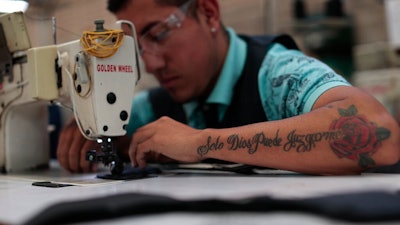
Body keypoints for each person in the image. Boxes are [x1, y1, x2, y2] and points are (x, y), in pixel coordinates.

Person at [57, 0, 400, 175]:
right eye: (138, 48)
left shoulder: (278, 74)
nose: (152, 64)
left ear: (208, 12)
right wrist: (91, 127)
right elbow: (113, 135)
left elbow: (377, 133)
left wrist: (200, 143)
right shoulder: (153, 107)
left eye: (159, 34)